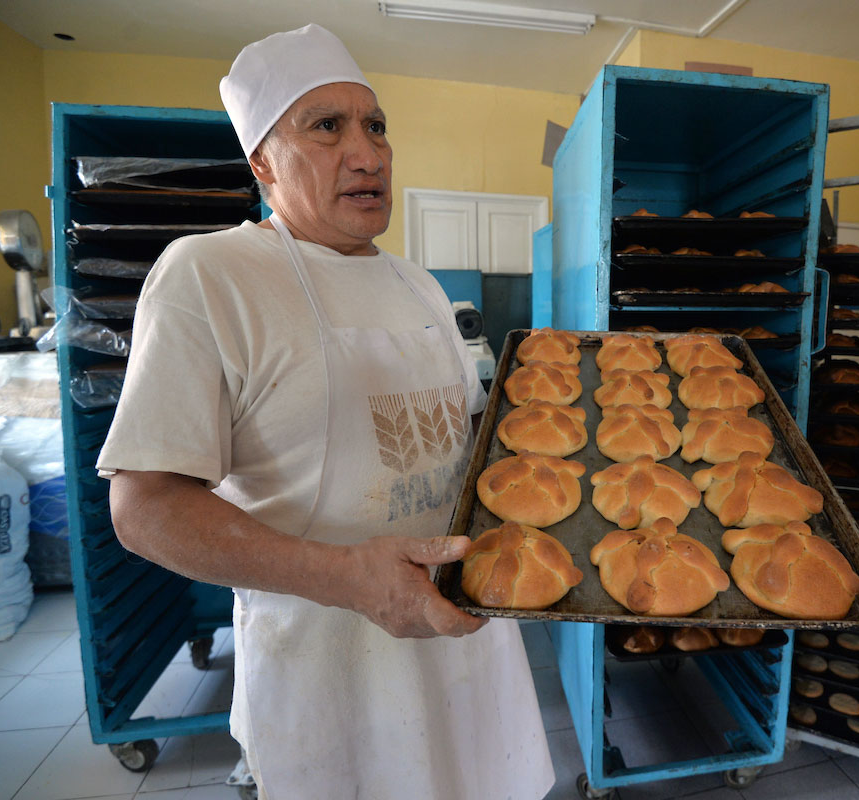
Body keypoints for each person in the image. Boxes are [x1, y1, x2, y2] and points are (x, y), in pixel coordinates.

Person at [97, 23, 554, 800]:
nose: (368, 152)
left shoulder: (422, 288)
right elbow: (143, 506)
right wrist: (348, 577)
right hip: (331, 668)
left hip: (472, 647)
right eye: (327, 126)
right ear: (262, 162)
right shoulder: (211, 275)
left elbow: (466, 447)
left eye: (375, 125)